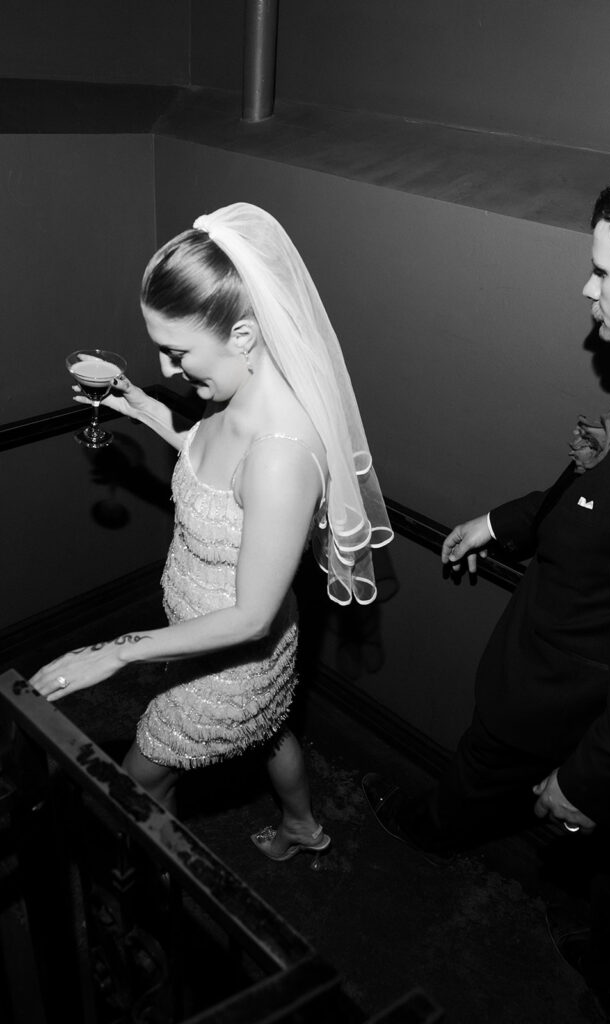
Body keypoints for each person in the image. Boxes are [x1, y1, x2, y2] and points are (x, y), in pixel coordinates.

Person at [363, 148, 610, 1024]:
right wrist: (511, 521)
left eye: (599, 269)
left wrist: (585, 782)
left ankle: (435, 830)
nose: (585, 289)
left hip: (572, 688)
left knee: (494, 758)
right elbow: (592, 491)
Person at [30, 202, 393, 863]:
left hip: (228, 656)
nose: (168, 370)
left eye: (176, 352)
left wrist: (114, 652)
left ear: (246, 336)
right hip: (212, 631)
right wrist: (133, 402)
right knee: (270, 731)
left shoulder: (281, 453)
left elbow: (250, 618)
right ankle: (302, 826)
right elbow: (204, 453)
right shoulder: (237, 398)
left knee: (137, 784)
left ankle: (173, 891)